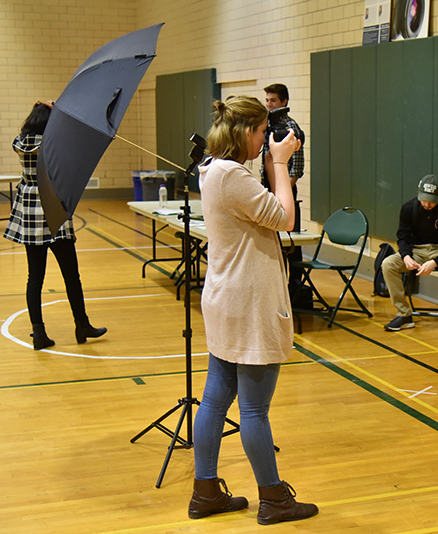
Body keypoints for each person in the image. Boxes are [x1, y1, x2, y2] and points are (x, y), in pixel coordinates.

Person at [188, 95, 318, 525]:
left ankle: (205, 492)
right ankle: (274, 499)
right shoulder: (231, 175)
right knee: (254, 410)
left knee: (213, 401)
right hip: (249, 303)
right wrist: (279, 164)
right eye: (263, 132)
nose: (266, 139)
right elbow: (284, 218)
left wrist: (267, 162)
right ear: (246, 131)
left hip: (226, 298)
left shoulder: (213, 168)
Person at [3, 100, 107, 350]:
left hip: (30, 212)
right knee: (71, 275)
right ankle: (82, 325)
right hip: (53, 210)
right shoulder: (53, 145)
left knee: (34, 277)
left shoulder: (20, 143)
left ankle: (38, 333)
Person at [382, 174, 438, 334]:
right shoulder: (409, 208)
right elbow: (402, 238)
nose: (427, 204)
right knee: (388, 264)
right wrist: (406, 256)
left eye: (431, 200)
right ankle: (404, 314)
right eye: (424, 199)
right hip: (415, 251)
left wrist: (435, 262)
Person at [261, 83, 307, 299]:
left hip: (285, 187)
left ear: (284, 102)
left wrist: (282, 192)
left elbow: (296, 168)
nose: (269, 104)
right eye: (267, 100)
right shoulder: (269, 125)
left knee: (290, 236)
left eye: (273, 101)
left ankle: (295, 282)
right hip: (268, 186)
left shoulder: (291, 128)